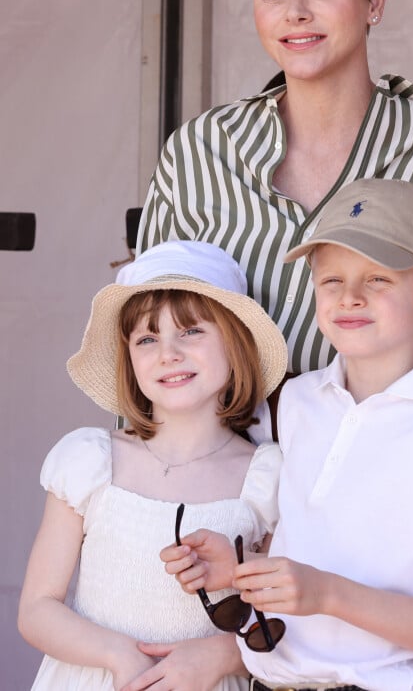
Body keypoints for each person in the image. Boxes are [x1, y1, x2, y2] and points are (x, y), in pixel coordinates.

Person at [134, 0, 413, 690]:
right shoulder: (198, 156)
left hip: (379, 574)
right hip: (218, 533)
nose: (296, 12)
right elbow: (147, 338)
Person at [163, 178, 413, 691]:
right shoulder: (296, 403)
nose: (350, 297)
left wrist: (329, 595)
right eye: (331, 281)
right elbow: (312, 556)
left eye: (379, 279)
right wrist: (241, 569)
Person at [18, 241, 288, 691]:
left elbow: (284, 618)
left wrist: (222, 655)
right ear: (130, 359)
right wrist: (118, 654)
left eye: (191, 332)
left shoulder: (266, 477)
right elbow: (37, 608)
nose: (168, 353)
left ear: (236, 343)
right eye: (147, 338)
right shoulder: (92, 461)